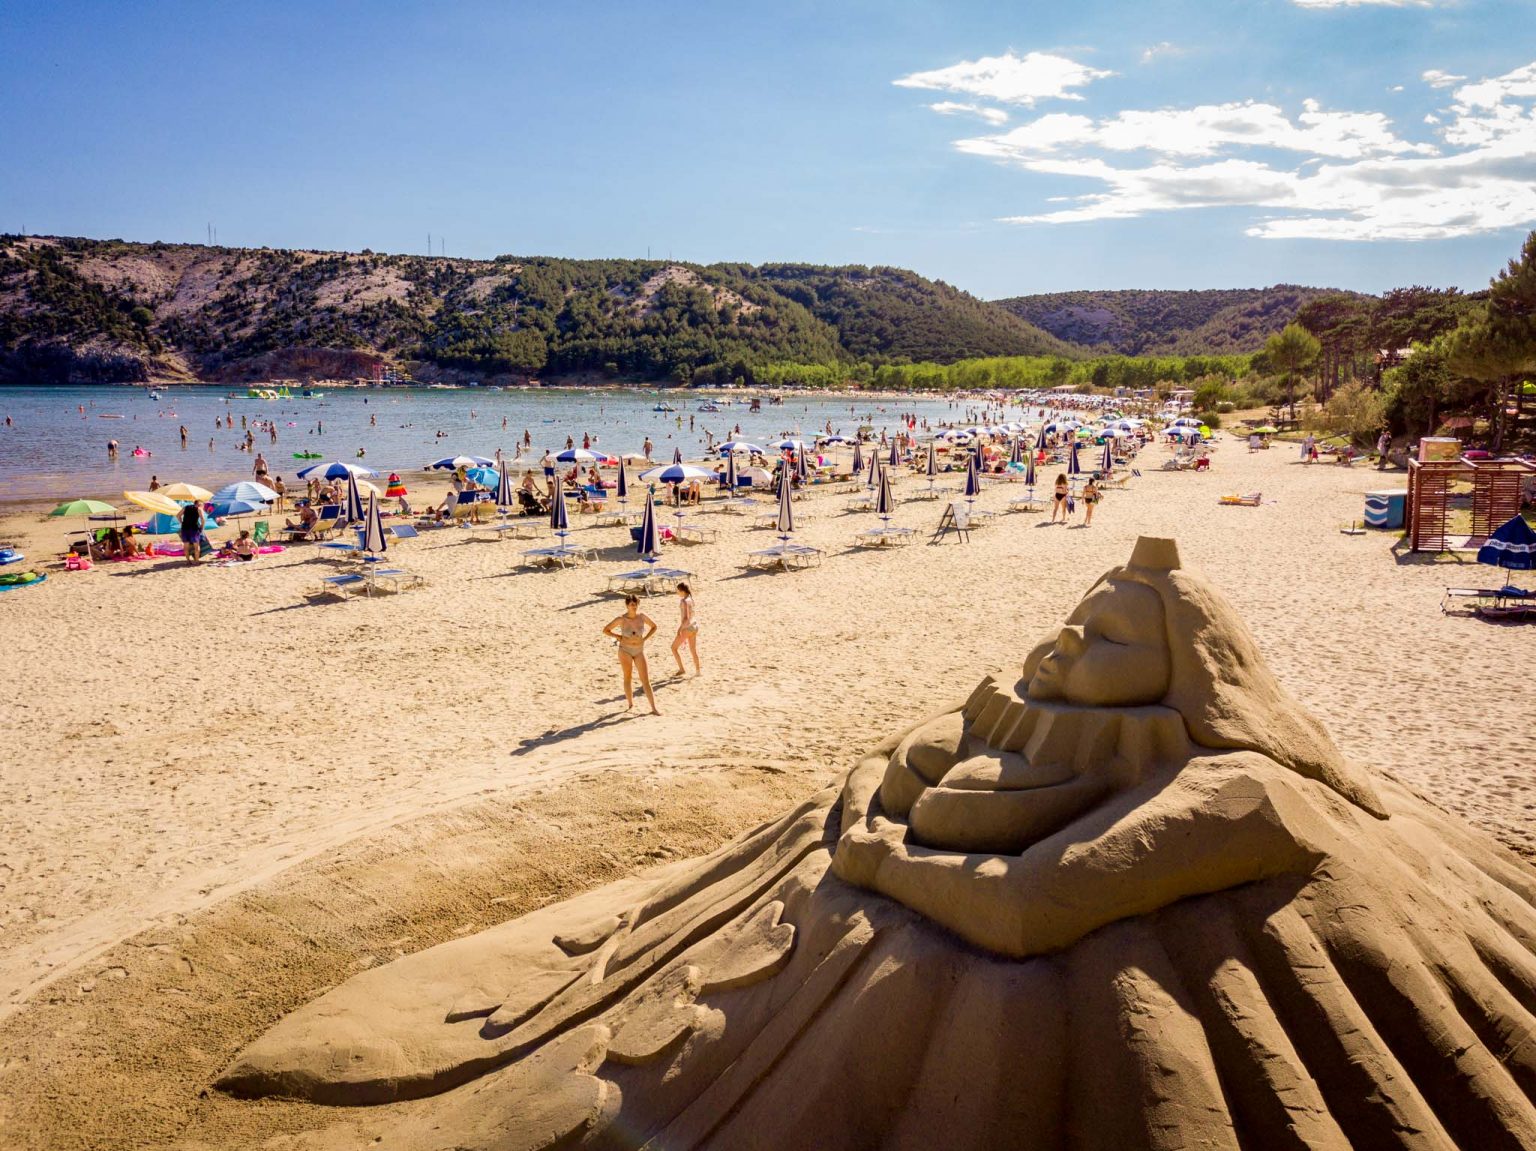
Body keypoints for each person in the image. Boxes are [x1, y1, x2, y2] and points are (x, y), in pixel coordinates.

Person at [603, 596, 661, 715]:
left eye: (635, 604)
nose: (633, 606)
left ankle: (653, 708)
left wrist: (645, 638)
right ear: (627, 605)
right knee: (628, 677)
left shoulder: (642, 617)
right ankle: (630, 704)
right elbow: (606, 630)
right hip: (625, 650)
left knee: (645, 679)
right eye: (630, 604)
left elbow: (654, 627)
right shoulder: (621, 619)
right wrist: (618, 637)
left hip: (639, 650)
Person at [671, 581, 701, 677]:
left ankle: (681, 669)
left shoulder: (684, 601)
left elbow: (686, 618)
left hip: (687, 627)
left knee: (673, 648)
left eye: (678, 591)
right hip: (695, 626)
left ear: (682, 591)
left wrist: (680, 629)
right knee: (693, 650)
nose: (677, 593)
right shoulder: (690, 598)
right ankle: (698, 671)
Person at [178, 500, 206, 565]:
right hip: (194, 529)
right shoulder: (199, 509)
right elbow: (203, 519)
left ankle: (188, 561)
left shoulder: (186, 507)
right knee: (196, 546)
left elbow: (178, 515)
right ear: (199, 504)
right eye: (202, 505)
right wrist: (202, 527)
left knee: (186, 546)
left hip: (185, 529)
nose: (202, 507)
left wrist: (182, 523)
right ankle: (197, 561)